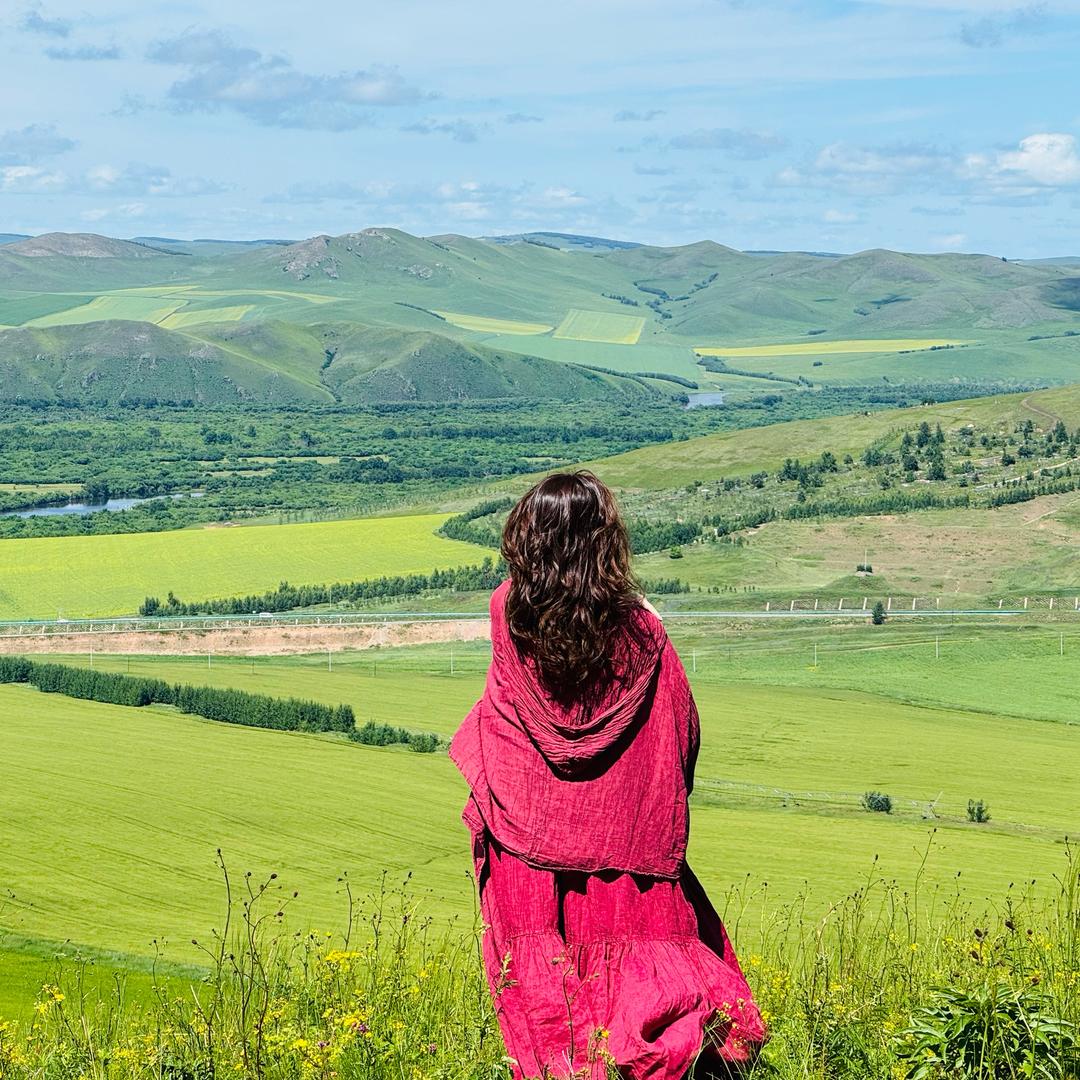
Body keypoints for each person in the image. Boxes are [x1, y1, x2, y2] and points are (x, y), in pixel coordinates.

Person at [450, 471, 766, 1079]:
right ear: (605, 541)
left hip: (526, 833)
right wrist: (650, 798)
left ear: (526, 538)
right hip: (625, 836)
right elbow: (681, 726)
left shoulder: (505, 611)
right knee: (650, 976)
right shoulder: (641, 629)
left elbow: (500, 714)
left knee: (547, 991)